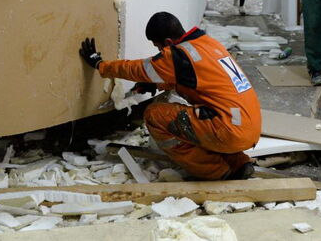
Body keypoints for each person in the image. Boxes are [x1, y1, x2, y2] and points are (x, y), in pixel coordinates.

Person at [79, 12, 260, 180]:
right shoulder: (206, 44)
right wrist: (156, 83)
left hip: (229, 130)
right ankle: (239, 163)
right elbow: (194, 78)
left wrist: (101, 65)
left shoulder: (178, 55)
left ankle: (217, 172)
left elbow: (137, 68)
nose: (158, 50)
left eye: (157, 46)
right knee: (208, 119)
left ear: (167, 41)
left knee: (155, 116)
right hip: (248, 125)